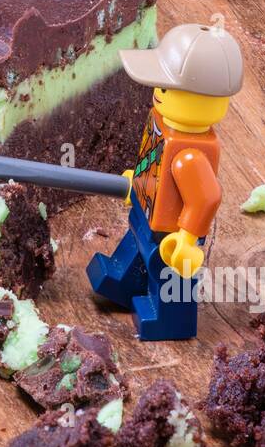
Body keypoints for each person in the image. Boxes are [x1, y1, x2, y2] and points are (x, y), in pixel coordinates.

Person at [86, 24, 245, 340]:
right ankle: (124, 280)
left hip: (173, 237)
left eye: (165, 87)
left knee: (168, 276)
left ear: (204, 97)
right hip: (147, 215)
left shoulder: (189, 155)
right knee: (136, 245)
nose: (157, 92)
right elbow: (154, 161)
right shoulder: (163, 127)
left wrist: (187, 239)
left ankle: (169, 320)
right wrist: (140, 181)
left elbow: (207, 197)